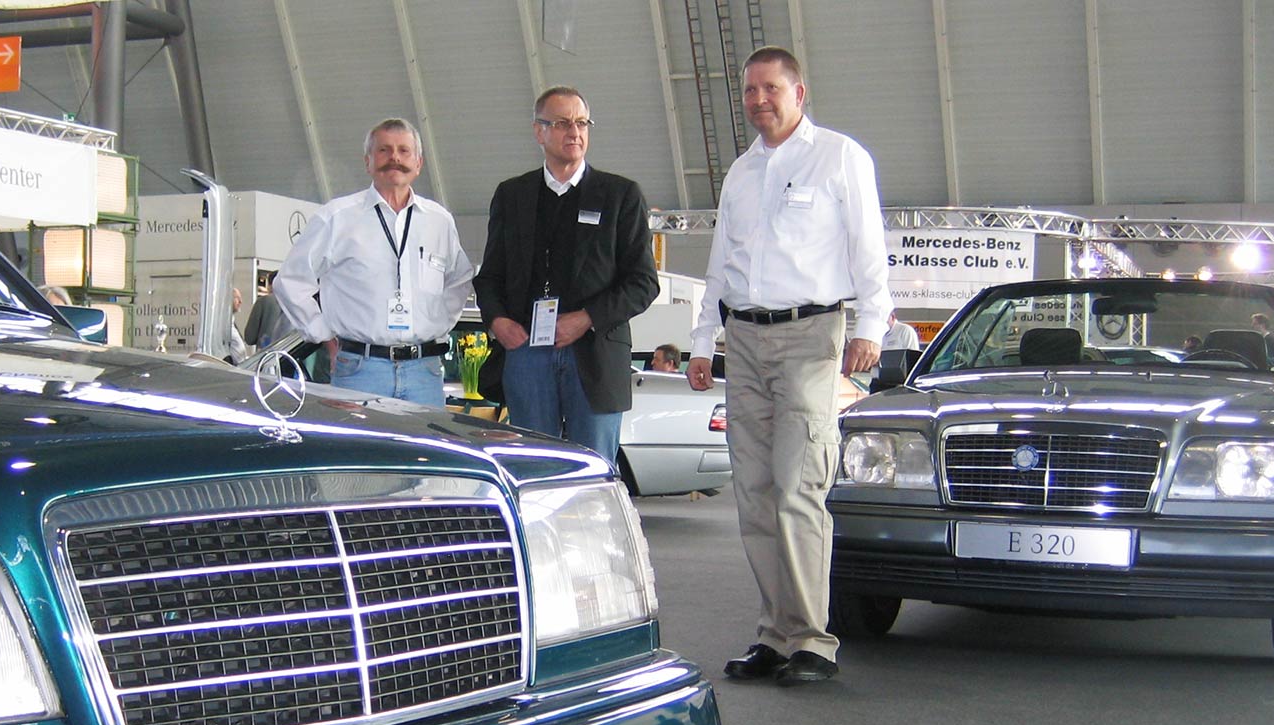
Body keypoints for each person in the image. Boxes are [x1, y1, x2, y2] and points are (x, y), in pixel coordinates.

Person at [685, 46, 892, 687]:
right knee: (754, 493)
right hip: (744, 339)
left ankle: (812, 640)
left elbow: (868, 245)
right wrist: (702, 340)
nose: (758, 100)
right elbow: (720, 264)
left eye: (771, 88)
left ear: (799, 93)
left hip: (810, 335)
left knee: (799, 487)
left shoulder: (839, 156)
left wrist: (871, 327)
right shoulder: (742, 172)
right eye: (750, 90)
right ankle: (774, 634)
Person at [473, 86, 659, 461]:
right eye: (562, 123)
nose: (574, 132)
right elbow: (489, 276)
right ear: (538, 132)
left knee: (592, 468)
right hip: (527, 351)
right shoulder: (512, 195)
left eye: (582, 123)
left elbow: (643, 282)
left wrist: (586, 318)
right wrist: (497, 322)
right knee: (534, 465)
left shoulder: (620, 195)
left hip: (595, 354)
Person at [274, 119, 473, 405]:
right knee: (359, 438)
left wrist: (439, 324)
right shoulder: (337, 217)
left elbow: (460, 278)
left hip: (425, 372)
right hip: (360, 371)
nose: (395, 158)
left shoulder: (439, 221)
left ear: (418, 163)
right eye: (384, 150)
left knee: (425, 439)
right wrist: (324, 335)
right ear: (367, 162)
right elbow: (290, 281)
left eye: (404, 151)